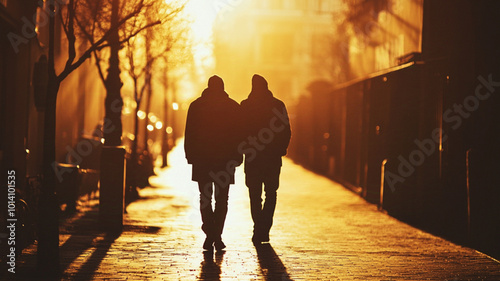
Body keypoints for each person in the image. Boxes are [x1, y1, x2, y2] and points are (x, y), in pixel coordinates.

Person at [184, 75, 242, 251]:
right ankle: (216, 236)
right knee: (222, 199)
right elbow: (239, 135)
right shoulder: (233, 107)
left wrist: (190, 155)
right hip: (225, 161)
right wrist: (238, 157)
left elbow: (190, 133)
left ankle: (211, 234)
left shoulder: (196, 106)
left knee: (205, 198)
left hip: (203, 160)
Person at [240, 74, 291, 244]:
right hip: (272, 159)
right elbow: (286, 131)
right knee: (271, 193)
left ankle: (258, 227)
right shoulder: (278, 105)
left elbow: (239, 132)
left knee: (255, 195)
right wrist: (280, 149)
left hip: (253, 159)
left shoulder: (245, 106)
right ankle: (264, 228)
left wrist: (244, 149)